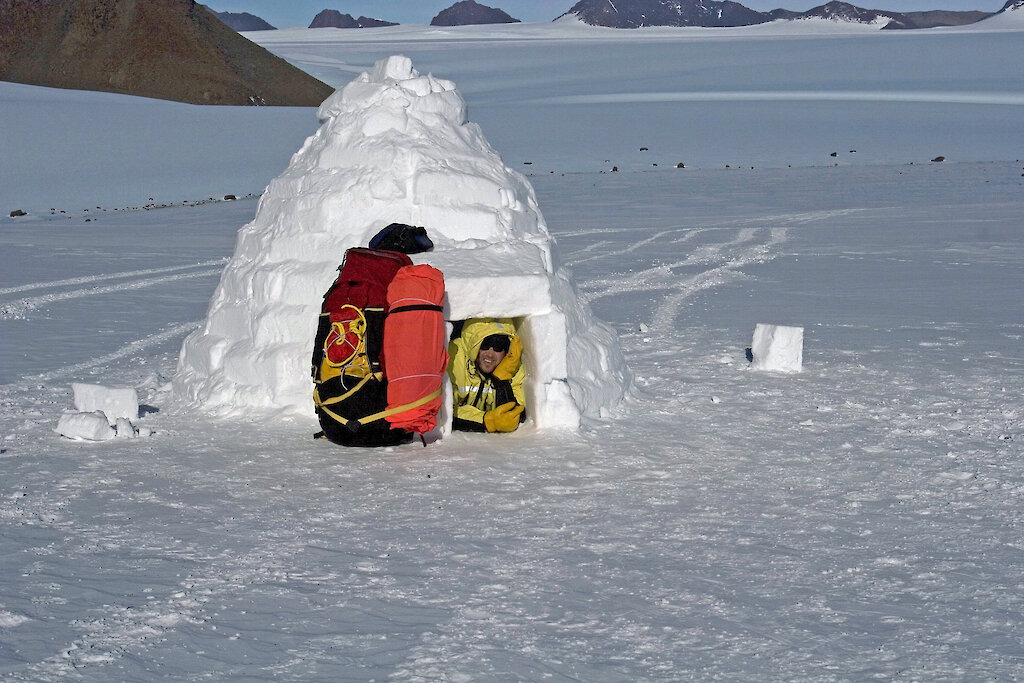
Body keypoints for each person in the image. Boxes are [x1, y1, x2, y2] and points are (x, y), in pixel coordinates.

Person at [448, 318, 526, 432]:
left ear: (507, 350)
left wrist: (502, 379)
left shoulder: (513, 367)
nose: (489, 354)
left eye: (498, 346)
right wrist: (486, 421)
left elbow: (513, 416)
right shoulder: (454, 358)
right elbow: (443, 412)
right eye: (485, 344)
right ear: (474, 345)